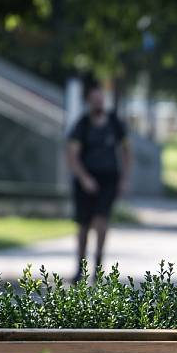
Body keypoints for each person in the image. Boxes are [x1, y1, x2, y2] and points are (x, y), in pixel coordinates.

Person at [66, 82, 132, 282]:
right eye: (95, 99)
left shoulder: (115, 123)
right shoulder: (82, 124)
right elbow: (72, 154)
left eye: (101, 98)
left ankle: (98, 267)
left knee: (101, 222)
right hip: (86, 180)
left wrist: (124, 179)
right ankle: (80, 268)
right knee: (84, 225)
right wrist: (84, 178)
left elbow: (127, 151)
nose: (99, 102)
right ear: (89, 101)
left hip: (109, 179)